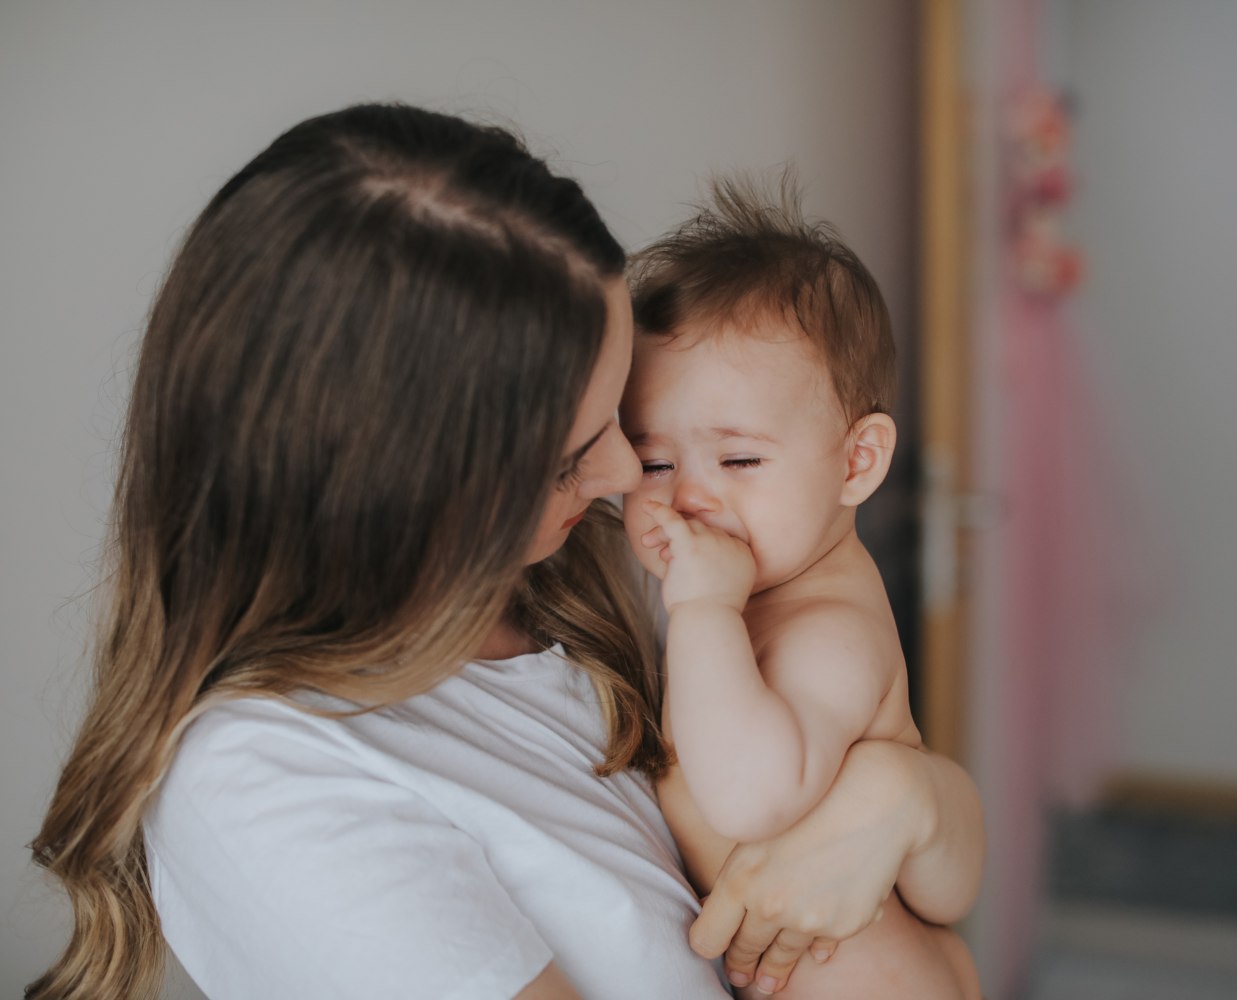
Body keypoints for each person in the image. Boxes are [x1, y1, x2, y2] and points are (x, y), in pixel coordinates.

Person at [26, 104, 983, 1000]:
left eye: (619, 419)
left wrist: (901, 801)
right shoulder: (271, 783)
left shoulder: (606, 577)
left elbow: (938, 923)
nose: (623, 477)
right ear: (402, 495)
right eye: (577, 455)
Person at [621, 176, 982, 998]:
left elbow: (749, 802)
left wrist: (704, 609)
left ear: (857, 462)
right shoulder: (759, 592)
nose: (688, 496)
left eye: (740, 459)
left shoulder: (829, 630)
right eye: (653, 461)